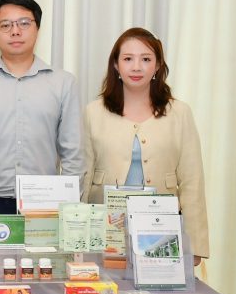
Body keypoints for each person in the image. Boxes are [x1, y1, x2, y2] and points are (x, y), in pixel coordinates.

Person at [0, 0, 83, 231]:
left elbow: (73, 154)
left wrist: (71, 211)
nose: (15, 31)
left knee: (44, 260)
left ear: (37, 28)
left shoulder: (63, 83)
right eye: (5, 25)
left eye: (24, 23)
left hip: (45, 206)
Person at [82, 27, 209, 263]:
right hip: (104, 231)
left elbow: (192, 182)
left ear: (158, 65)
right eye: (128, 59)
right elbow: (83, 176)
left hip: (160, 232)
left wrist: (195, 246)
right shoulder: (92, 112)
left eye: (146, 59)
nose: (136, 67)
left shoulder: (180, 113)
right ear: (116, 65)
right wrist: (74, 237)